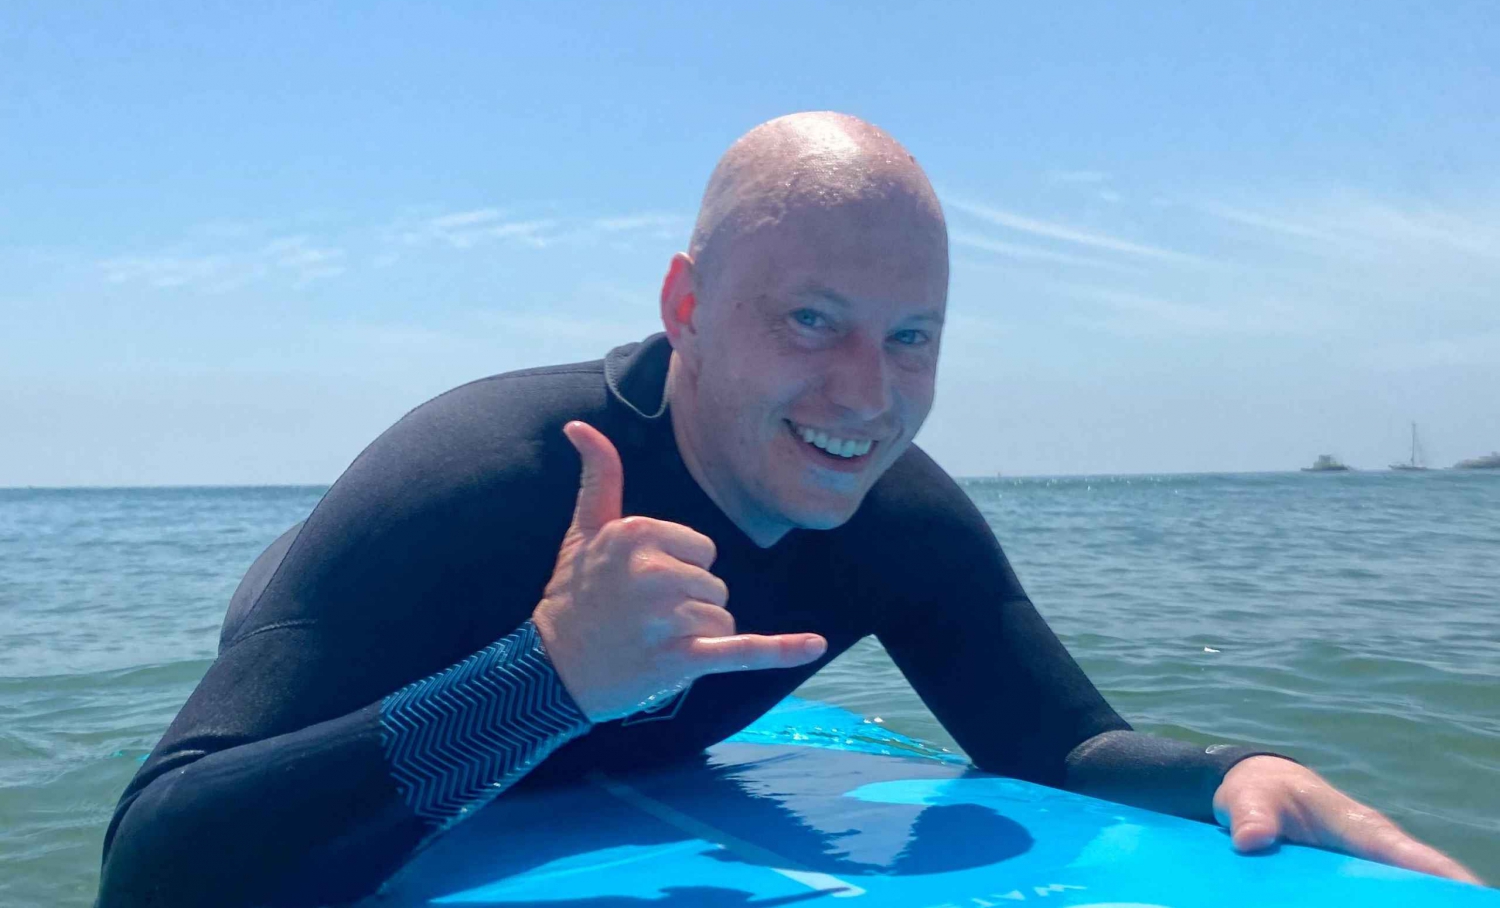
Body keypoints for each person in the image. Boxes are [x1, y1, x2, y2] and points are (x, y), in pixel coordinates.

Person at [97, 113, 1481, 906]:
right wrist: (547, 678)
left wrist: (1224, 771)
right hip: (339, 648)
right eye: (811, 318)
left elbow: (1054, 737)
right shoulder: (479, 476)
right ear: (686, 304)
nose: (866, 394)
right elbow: (154, 862)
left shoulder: (892, 519)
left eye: (911, 336)